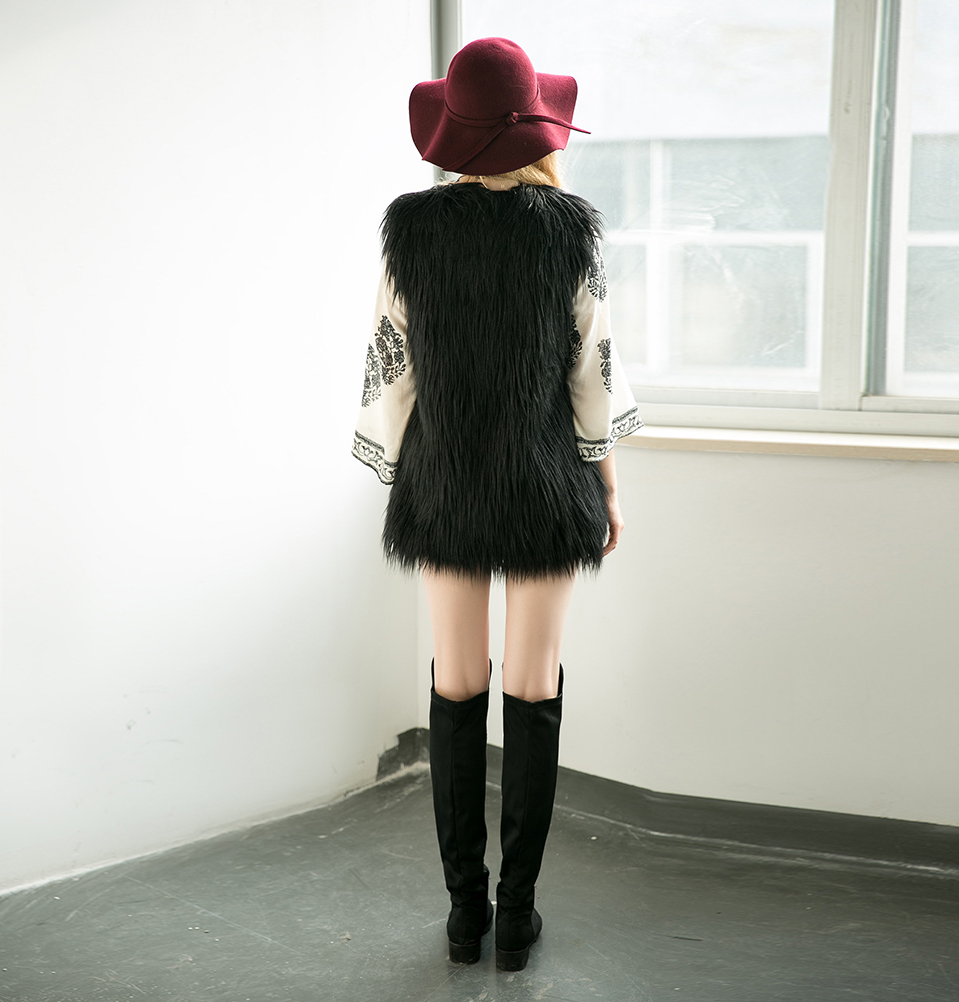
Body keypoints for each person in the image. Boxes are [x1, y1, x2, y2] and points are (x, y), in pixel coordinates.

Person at [351, 36, 643, 972]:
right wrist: (606, 484)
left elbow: (390, 368)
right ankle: (516, 915)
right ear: (539, 128)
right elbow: (593, 372)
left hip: (446, 486)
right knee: (533, 684)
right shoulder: (569, 232)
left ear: (452, 131)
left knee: (454, 682)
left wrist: (398, 472)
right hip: (546, 485)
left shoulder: (412, 233)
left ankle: (464, 915)